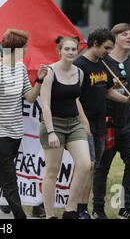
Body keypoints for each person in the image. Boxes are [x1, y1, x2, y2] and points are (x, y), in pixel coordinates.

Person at [0, 29, 48, 219]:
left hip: (16, 133)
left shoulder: (21, 69)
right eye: (25, 46)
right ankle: (20, 215)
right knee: (9, 179)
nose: (27, 50)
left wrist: (39, 80)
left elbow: (30, 98)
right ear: (16, 48)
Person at [73, 28, 130, 219]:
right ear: (94, 44)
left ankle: (83, 210)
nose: (109, 52)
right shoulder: (80, 65)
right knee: (87, 166)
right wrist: (83, 121)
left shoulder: (102, 64)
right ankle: (80, 209)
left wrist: (126, 100)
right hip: (84, 124)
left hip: (100, 123)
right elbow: (74, 96)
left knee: (93, 167)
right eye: (106, 48)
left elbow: (108, 91)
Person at [92, 23, 130, 219]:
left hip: (129, 125)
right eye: (125, 34)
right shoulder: (102, 61)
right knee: (102, 167)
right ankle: (98, 208)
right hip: (106, 123)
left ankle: (125, 208)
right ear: (115, 38)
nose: (129, 37)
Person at [40, 36, 91, 219]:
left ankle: (70, 210)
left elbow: (75, 99)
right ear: (59, 51)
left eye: (74, 49)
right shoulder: (49, 72)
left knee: (85, 164)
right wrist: (52, 131)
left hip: (74, 123)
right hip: (54, 124)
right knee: (52, 171)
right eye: (67, 49)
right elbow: (45, 104)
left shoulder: (80, 73)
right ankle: (49, 215)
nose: (71, 52)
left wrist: (84, 122)